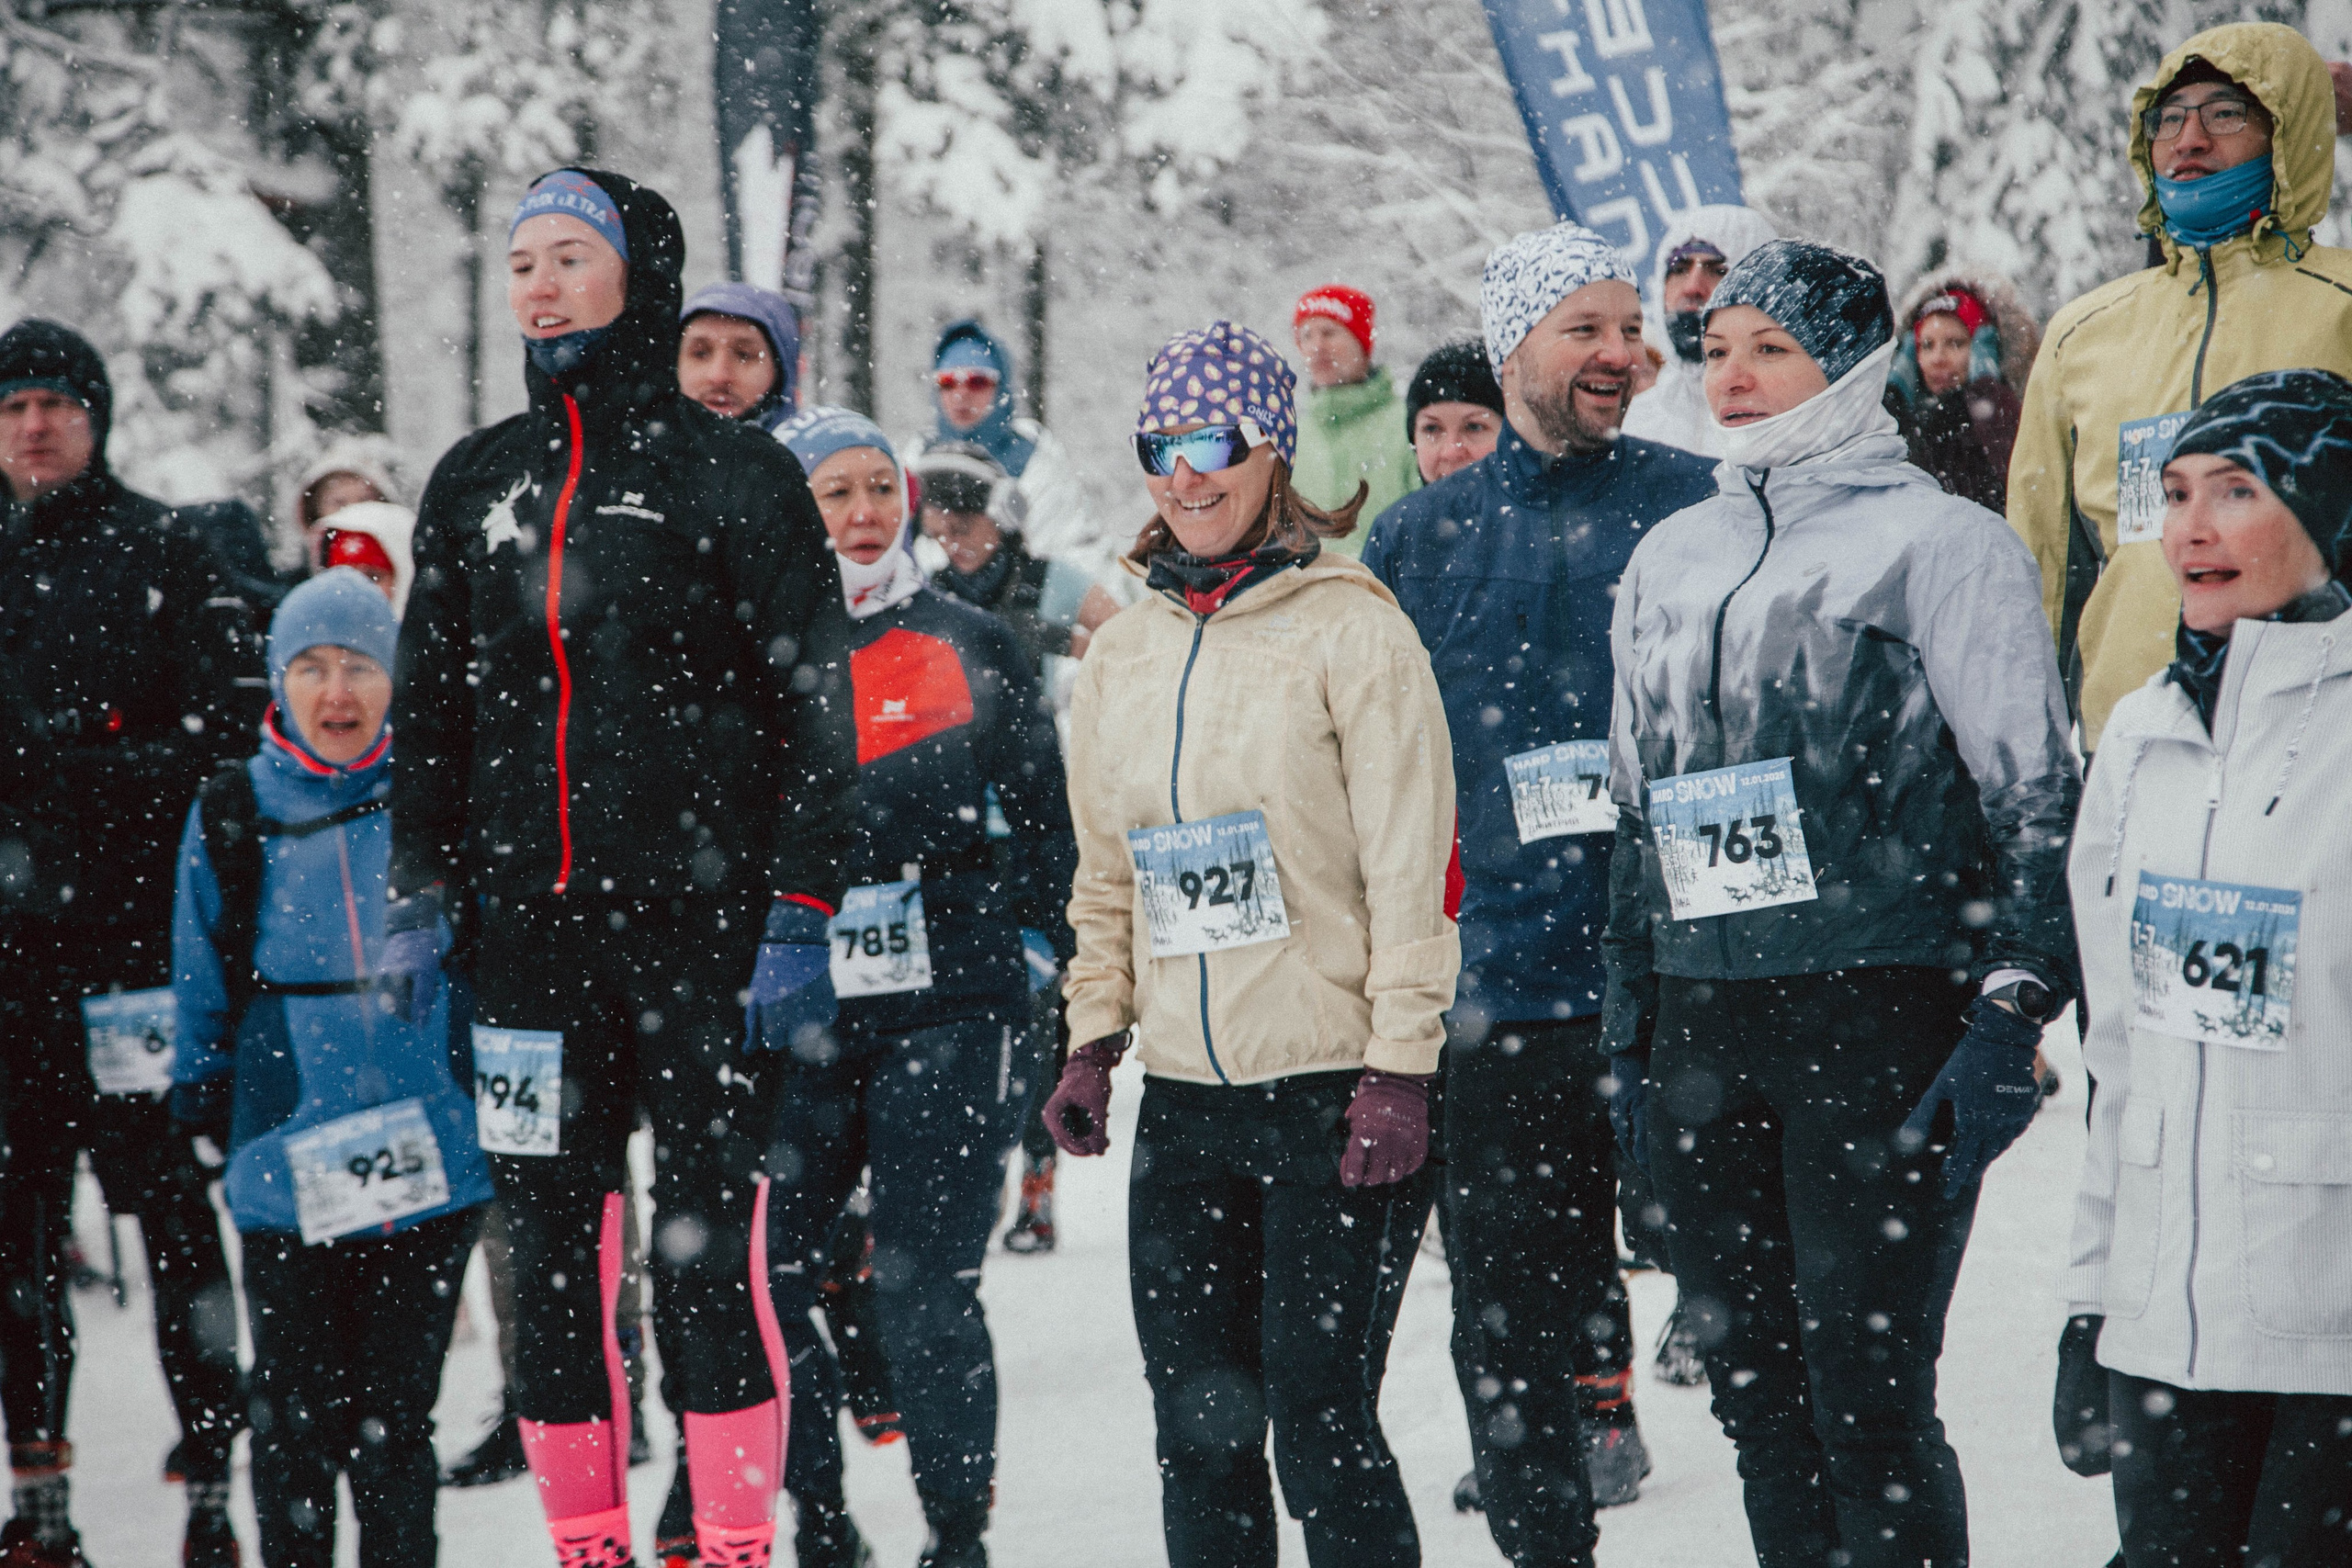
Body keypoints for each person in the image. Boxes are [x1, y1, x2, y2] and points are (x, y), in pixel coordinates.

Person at [387, 167, 856, 1568]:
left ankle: (727, 1544)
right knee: (552, 1268)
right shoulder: (477, 479)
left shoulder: (737, 472)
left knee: (709, 1262)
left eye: (569, 256)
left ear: (637, 276)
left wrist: (801, 906)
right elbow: (432, 711)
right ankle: (585, 1543)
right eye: (520, 259)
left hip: (705, 944)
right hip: (527, 948)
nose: (537, 283)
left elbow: (816, 711)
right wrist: (424, 900)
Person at [1602, 240, 2080, 1568]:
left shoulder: (1941, 543)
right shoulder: (1668, 556)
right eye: (1715, 351)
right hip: (1707, 1026)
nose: (1735, 379)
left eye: (1774, 349)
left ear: (1853, 363)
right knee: (1759, 1405)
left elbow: (2036, 794)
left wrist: (2012, 1007)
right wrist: (1628, 1029)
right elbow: (1635, 814)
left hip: (1879, 1017)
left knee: (1867, 1406)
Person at [1042, 320, 1457, 1568]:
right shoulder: (1122, 650)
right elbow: (1106, 868)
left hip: (1331, 1091)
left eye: (1213, 441)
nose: (1188, 472)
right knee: (1200, 1429)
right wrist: (1093, 1036)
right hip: (1188, 1102)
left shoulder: (1351, 626)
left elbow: (1407, 862)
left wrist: (1400, 1064)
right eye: (1161, 446)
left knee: (1322, 1425)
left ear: (1271, 448)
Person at [1362, 221, 1717, 1562]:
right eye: (1588, 329)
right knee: (1502, 1324)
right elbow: (1369, 774)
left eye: (1633, 328)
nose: (1623, 353)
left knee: (1755, 1321)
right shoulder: (1419, 535)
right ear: (1517, 347)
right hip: (1499, 988)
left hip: (1678, 987)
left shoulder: (1696, 502)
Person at [763, 405, 1069, 1568]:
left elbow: (1045, 809)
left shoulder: (967, 637)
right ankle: (822, 1524)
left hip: (951, 991)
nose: (860, 513)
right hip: (799, 999)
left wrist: (1037, 951)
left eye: (876, 488)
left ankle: (956, 1537)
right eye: (833, 493)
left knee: (925, 1286)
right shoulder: (760, 648)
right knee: (773, 1280)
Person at [2059, 367, 2352, 1568]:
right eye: (2176, 493)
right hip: (2164, 1335)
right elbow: (2119, 1052)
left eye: (2236, 489)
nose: (2190, 526)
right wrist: (2093, 1298)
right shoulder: (2141, 733)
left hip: (2328, 1337)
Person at [169, 568, 493, 1568]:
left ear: (397, 678)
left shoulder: (441, 792)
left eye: (359, 667)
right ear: (278, 677)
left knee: (398, 1419)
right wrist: (202, 1084)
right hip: (288, 1144)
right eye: (311, 668)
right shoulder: (232, 806)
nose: (337, 694)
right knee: (296, 1416)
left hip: (432, 1145)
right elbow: (198, 963)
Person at [0, 318, 251, 1568]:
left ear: (97, 416)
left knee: (169, 1217)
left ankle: (213, 1474)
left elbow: (210, 749)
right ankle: (38, 1492)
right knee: (20, 1230)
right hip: (12, 971)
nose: (35, 421)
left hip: (134, 956)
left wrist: (75, 769)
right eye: (15, 404)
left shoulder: (159, 545)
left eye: (57, 400)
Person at [2009, 22, 2352, 752]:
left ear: (2288, 132)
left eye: (2226, 112)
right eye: (2168, 117)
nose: (2188, 139)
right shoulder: (2083, 334)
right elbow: (2040, 569)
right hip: (2127, 736)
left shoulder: (2343, 307)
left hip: (2317, 741)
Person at [912, 439, 1114, 1254]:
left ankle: (1038, 1183)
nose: (956, 542)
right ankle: (970, 1181)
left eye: (969, 526)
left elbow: (1131, 638)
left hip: (1038, 819)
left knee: (1040, 1018)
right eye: (943, 527)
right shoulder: (922, 594)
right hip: (956, 827)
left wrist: (1068, 653)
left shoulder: (1045, 581)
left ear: (1002, 522)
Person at [902, 320, 1099, 568]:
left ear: (1002, 386)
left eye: (977, 381)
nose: (961, 394)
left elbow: (1064, 557)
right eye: (948, 382)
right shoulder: (916, 458)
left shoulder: (1036, 459)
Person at [1620, 205, 1778, 457]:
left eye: (1718, 271)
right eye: (1680, 270)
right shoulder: (1633, 426)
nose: (1693, 288)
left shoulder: (1787, 419)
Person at [1885, 272, 2039, 513]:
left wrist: (1987, 390)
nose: (1937, 358)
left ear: (1987, 348)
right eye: (1926, 345)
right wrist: (1892, 398)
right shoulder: (1902, 421)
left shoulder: (2009, 417)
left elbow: (2021, 478)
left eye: (1955, 343)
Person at [1288, 284, 1419, 551]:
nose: (1317, 347)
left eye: (1329, 332)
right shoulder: (1293, 436)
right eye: (1307, 336)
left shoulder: (1408, 424)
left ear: (1362, 341)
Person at [678, 280, 800, 431]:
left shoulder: (813, 452)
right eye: (700, 353)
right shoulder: (646, 449)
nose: (718, 376)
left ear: (780, 371)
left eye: (744, 355)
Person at [1399, 340, 1505, 486]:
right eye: (1432, 428)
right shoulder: (1400, 508)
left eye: (1474, 427)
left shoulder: (1545, 506)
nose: (1451, 452)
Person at [296, 434, 403, 570]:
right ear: (315, 510)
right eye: (339, 503)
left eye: (364, 500)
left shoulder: (404, 571)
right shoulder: (296, 585)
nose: (354, 510)